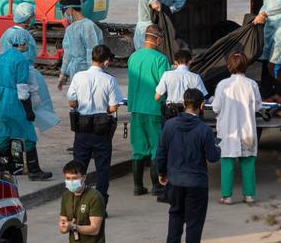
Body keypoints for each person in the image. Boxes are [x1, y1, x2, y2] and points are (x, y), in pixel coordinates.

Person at [155, 88, 219, 243]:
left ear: (183, 104)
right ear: (201, 106)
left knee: (175, 215)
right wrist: (218, 146)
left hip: (175, 180)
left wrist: (162, 173)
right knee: (194, 221)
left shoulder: (169, 125)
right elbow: (212, 157)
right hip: (197, 183)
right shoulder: (204, 129)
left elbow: (161, 153)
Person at [0, 28, 52, 180]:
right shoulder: (21, 60)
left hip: (0, 98)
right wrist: (29, 110)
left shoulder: (2, 57)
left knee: (3, 133)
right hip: (14, 100)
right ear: (22, 43)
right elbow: (23, 89)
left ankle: (3, 169)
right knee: (29, 134)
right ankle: (34, 170)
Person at [66, 44, 123, 202]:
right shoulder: (110, 80)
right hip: (101, 128)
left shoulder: (78, 76)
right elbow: (112, 107)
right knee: (103, 169)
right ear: (106, 62)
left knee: (78, 166)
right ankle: (100, 202)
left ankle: (76, 199)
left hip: (82, 128)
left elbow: (72, 102)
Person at [211, 52, 261, 205]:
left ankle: (227, 196)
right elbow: (258, 106)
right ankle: (249, 195)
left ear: (228, 66)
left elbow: (216, 107)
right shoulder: (252, 84)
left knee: (227, 162)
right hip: (247, 130)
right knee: (248, 163)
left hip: (228, 130)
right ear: (246, 65)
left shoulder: (223, 84)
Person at [127, 24, 170, 197]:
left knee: (138, 148)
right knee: (155, 148)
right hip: (154, 109)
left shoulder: (133, 57)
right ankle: (156, 187)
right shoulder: (161, 59)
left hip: (136, 108)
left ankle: (138, 186)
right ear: (157, 39)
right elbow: (164, 84)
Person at [9, 0, 60, 131]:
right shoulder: (22, 35)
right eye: (32, 16)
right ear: (27, 17)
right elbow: (24, 63)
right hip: (23, 75)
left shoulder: (8, 33)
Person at [58, 160, 107, 243]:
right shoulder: (66, 197)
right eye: (68, 178)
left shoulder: (95, 197)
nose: (71, 182)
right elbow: (62, 227)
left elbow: (94, 229)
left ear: (84, 178)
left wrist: (73, 227)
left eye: (74, 178)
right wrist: (64, 226)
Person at [56, 0, 104, 90]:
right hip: (75, 73)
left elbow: (93, 52)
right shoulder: (70, 29)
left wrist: (92, 74)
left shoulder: (88, 26)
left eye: (64, 11)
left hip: (88, 72)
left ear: (70, 9)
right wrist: (63, 73)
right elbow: (67, 54)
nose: (65, 15)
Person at [155, 48, 208, 118]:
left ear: (175, 62)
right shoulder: (195, 77)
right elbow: (202, 97)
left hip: (171, 111)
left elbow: (157, 97)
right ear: (190, 61)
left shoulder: (166, 75)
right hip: (189, 111)